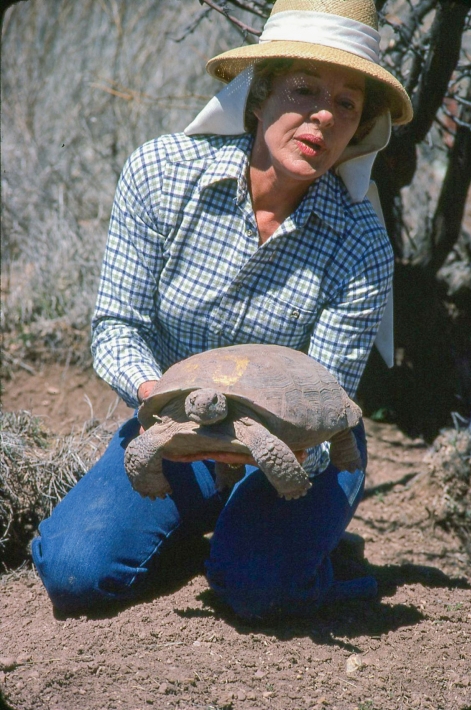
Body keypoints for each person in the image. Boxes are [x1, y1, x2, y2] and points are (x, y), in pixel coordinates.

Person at [32, 0, 413, 619]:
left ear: (359, 127)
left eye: (347, 103)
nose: (323, 114)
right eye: (304, 88)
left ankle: (311, 568)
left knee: (254, 589)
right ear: (259, 95)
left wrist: (271, 457)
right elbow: (116, 328)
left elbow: (327, 395)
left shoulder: (361, 242)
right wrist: (160, 399)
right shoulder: (160, 175)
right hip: (175, 414)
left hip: (299, 433)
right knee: (76, 575)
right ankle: (210, 531)